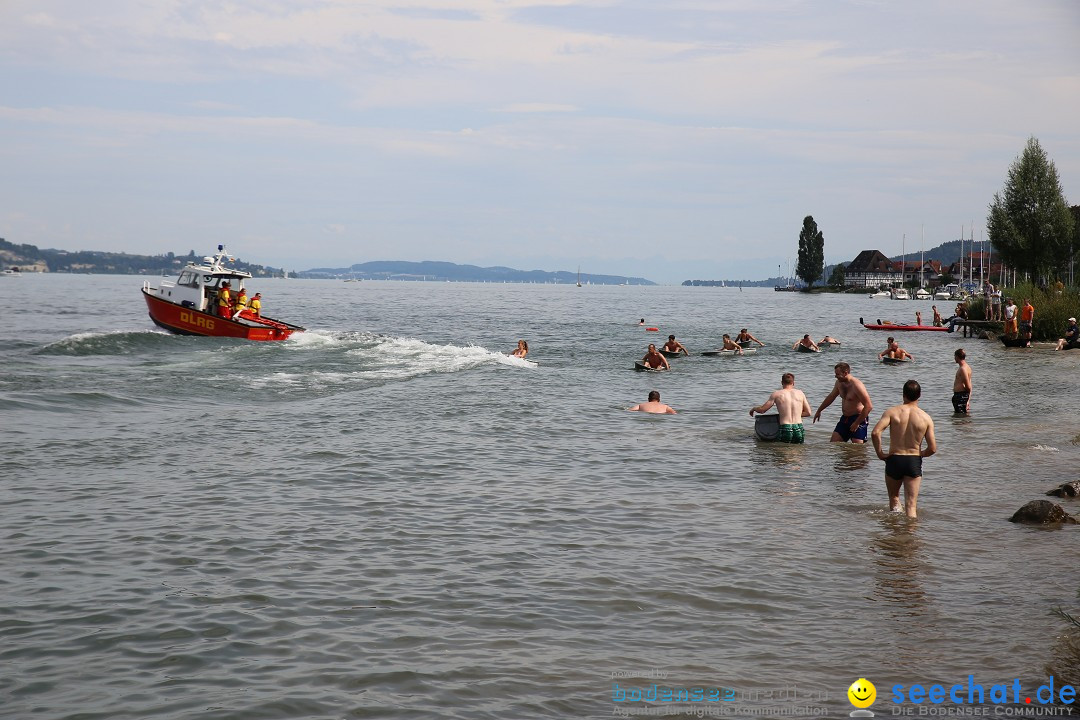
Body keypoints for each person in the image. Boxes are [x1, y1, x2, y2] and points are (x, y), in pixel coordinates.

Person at [871, 380, 937, 519]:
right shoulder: (926, 418)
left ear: (903, 394)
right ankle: (910, 537)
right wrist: (920, 454)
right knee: (911, 505)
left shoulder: (892, 412)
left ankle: (894, 534)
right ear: (920, 395)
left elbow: (875, 433)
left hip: (894, 458)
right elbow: (932, 448)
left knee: (894, 498)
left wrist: (880, 453)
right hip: (913, 460)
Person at [813, 362, 873, 443]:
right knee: (833, 443)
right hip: (845, 418)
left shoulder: (856, 385)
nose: (835, 376)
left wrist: (856, 423)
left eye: (837, 374)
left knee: (857, 449)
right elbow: (831, 397)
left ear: (845, 373)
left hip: (858, 418)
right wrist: (819, 410)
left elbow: (868, 406)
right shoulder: (839, 383)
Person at [749, 372, 812, 443]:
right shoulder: (800, 393)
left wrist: (754, 409)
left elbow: (762, 410)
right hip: (799, 428)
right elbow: (808, 413)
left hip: (786, 428)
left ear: (782, 382)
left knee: (783, 452)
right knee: (798, 452)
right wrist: (796, 414)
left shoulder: (776, 394)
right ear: (793, 383)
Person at [952, 348, 972, 413]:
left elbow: (968, 387)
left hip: (961, 396)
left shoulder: (963, 369)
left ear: (957, 357)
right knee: (961, 418)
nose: (954, 358)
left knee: (961, 418)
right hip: (961, 396)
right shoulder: (966, 367)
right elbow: (970, 385)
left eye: (954, 356)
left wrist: (966, 399)